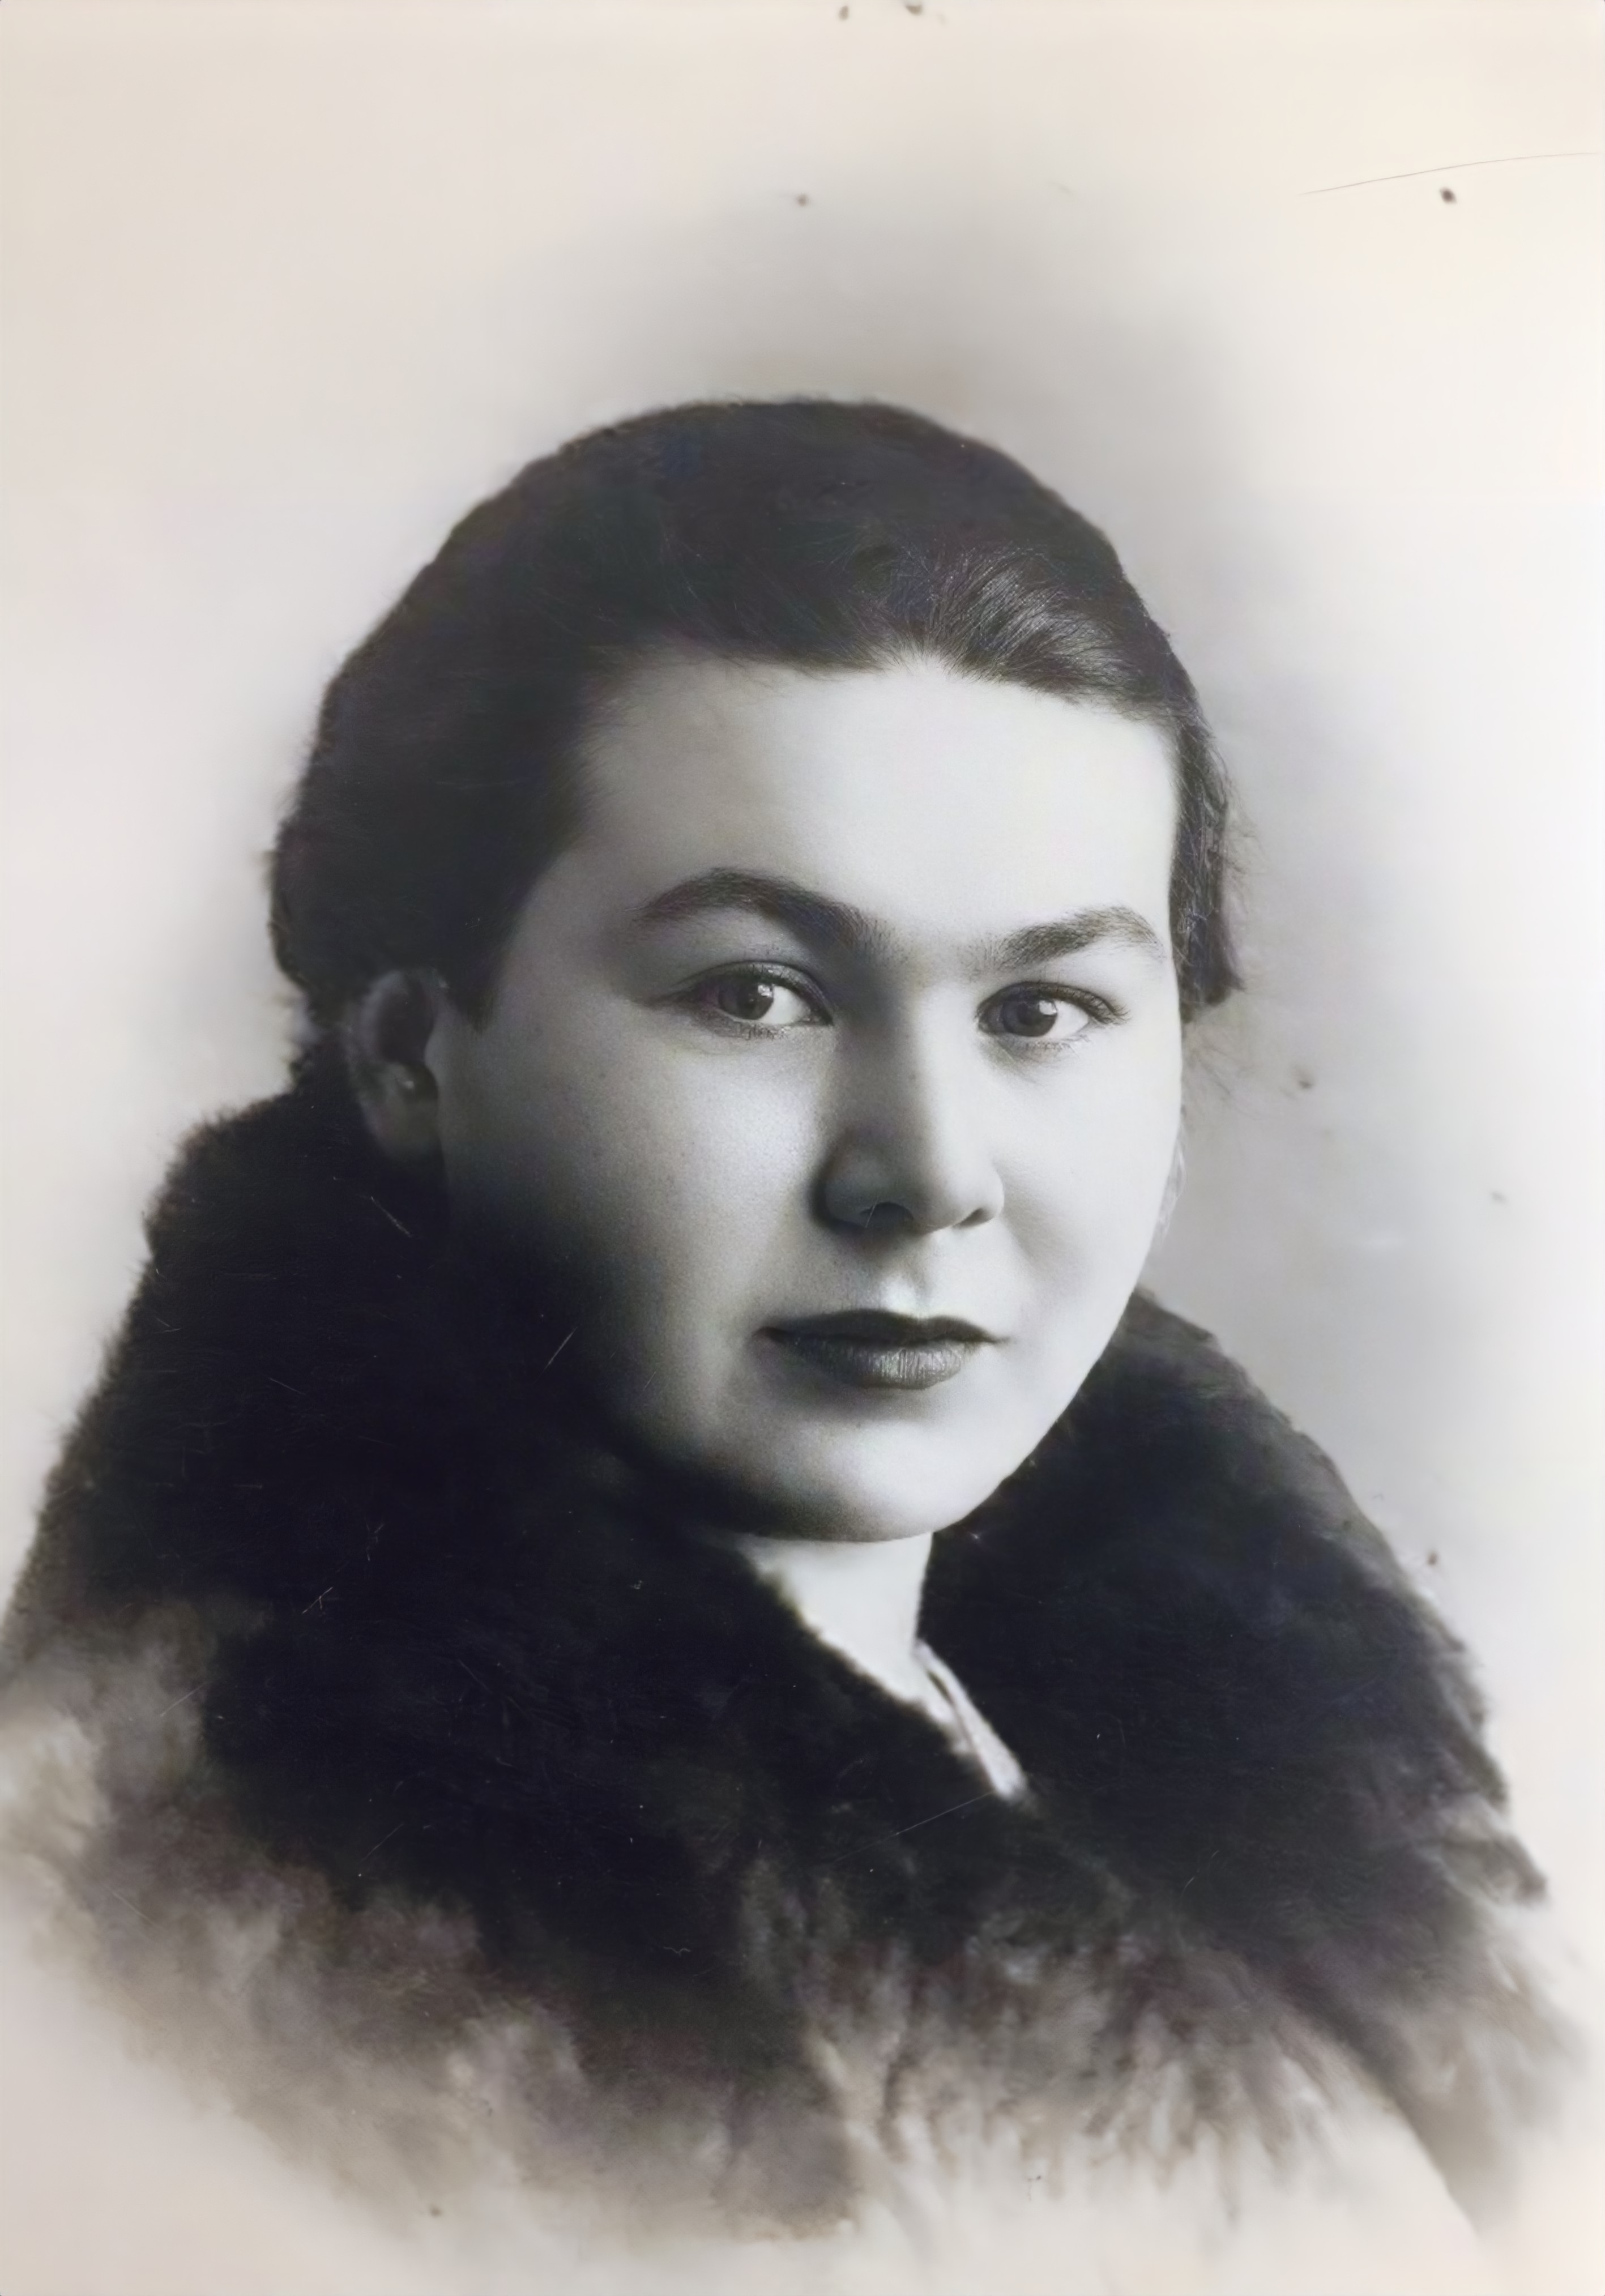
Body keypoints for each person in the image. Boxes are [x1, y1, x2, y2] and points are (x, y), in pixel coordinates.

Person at [0, 399, 1557, 2239]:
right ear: (413, 1055)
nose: (928, 1171)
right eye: (757, 994)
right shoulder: (194, 1943)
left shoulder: (1274, 1789)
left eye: (1041, 1012)